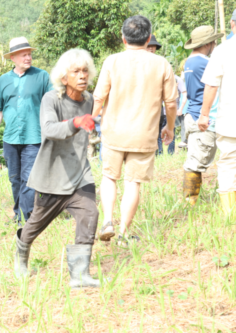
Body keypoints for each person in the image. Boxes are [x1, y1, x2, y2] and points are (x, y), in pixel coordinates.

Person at [14, 49, 101, 288]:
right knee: (35, 225)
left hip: (80, 172)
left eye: (85, 71)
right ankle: (21, 253)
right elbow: (50, 129)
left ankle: (80, 275)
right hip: (52, 175)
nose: (82, 76)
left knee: (90, 214)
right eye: (76, 71)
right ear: (64, 77)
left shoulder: (89, 100)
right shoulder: (51, 99)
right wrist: (74, 122)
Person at [92, 16, 178, 244]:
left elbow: (99, 96)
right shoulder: (162, 64)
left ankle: (107, 221)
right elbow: (171, 103)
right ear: (148, 38)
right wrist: (169, 128)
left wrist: (91, 119)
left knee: (109, 177)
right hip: (144, 135)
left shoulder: (112, 61)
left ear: (123, 38)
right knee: (133, 183)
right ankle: (122, 234)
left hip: (113, 132)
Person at [0, 37, 52, 225]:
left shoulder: (42, 76)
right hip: (10, 138)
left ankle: (28, 216)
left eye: (30, 54)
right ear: (13, 57)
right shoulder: (4, 80)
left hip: (34, 137)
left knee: (29, 178)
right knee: (15, 179)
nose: (28, 58)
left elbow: (52, 103)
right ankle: (19, 213)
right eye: (24, 55)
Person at [199, 9, 236, 214]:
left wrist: (204, 114)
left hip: (231, 120)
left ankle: (230, 214)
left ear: (232, 24)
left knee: (229, 163)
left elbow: (211, 85)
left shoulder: (222, 50)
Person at [181, 26, 223, 206]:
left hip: (192, 113)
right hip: (203, 117)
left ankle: (190, 201)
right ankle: (190, 204)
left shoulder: (189, 62)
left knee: (193, 158)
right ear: (209, 43)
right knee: (195, 163)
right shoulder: (206, 62)